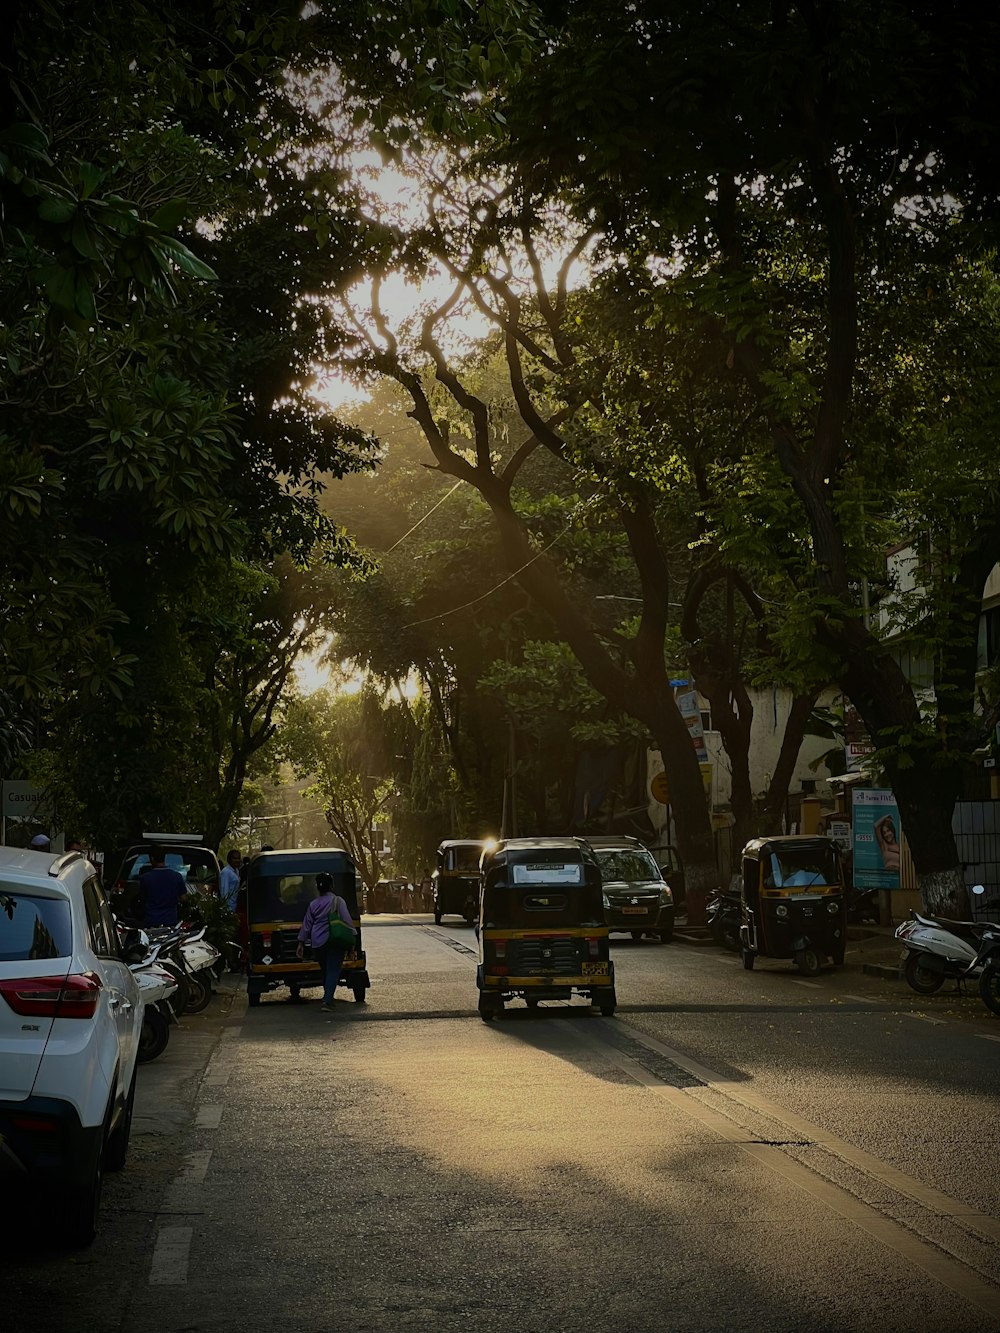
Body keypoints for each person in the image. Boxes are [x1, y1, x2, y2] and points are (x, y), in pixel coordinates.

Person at [295, 872, 355, 1012]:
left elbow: (307, 925)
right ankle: (327, 1001)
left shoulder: (313, 904)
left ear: (317, 887)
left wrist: (301, 943)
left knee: (326, 971)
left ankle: (329, 998)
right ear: (332, 885)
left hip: (318, 942)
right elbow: (347, 921)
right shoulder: (338, 901)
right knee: (333, 970)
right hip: (335, 940)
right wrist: (353, 940)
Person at [139, 846, 188, 927]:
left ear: (152, 859)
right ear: (164, 858)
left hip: (151, 921)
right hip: (171, 920)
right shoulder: (176, 876)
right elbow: (184, 898)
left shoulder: (145, 878)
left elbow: (142, 898)